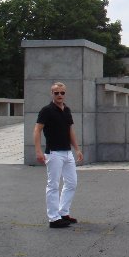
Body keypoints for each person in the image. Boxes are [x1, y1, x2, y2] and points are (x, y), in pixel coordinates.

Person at [33, 82, 84, 228]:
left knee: (71, 183)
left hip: (67, 152)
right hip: (54, 153)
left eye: (62, 93)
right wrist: (38, 151)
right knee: (53, 185)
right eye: (56, 93)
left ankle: (63, 212)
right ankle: (53, 218)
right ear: (52, 94)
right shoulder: (46, 110)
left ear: (65, 93)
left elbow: (70, 130)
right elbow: (37, 130)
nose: (60, 95)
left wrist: (77, 149)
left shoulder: (66, 110)